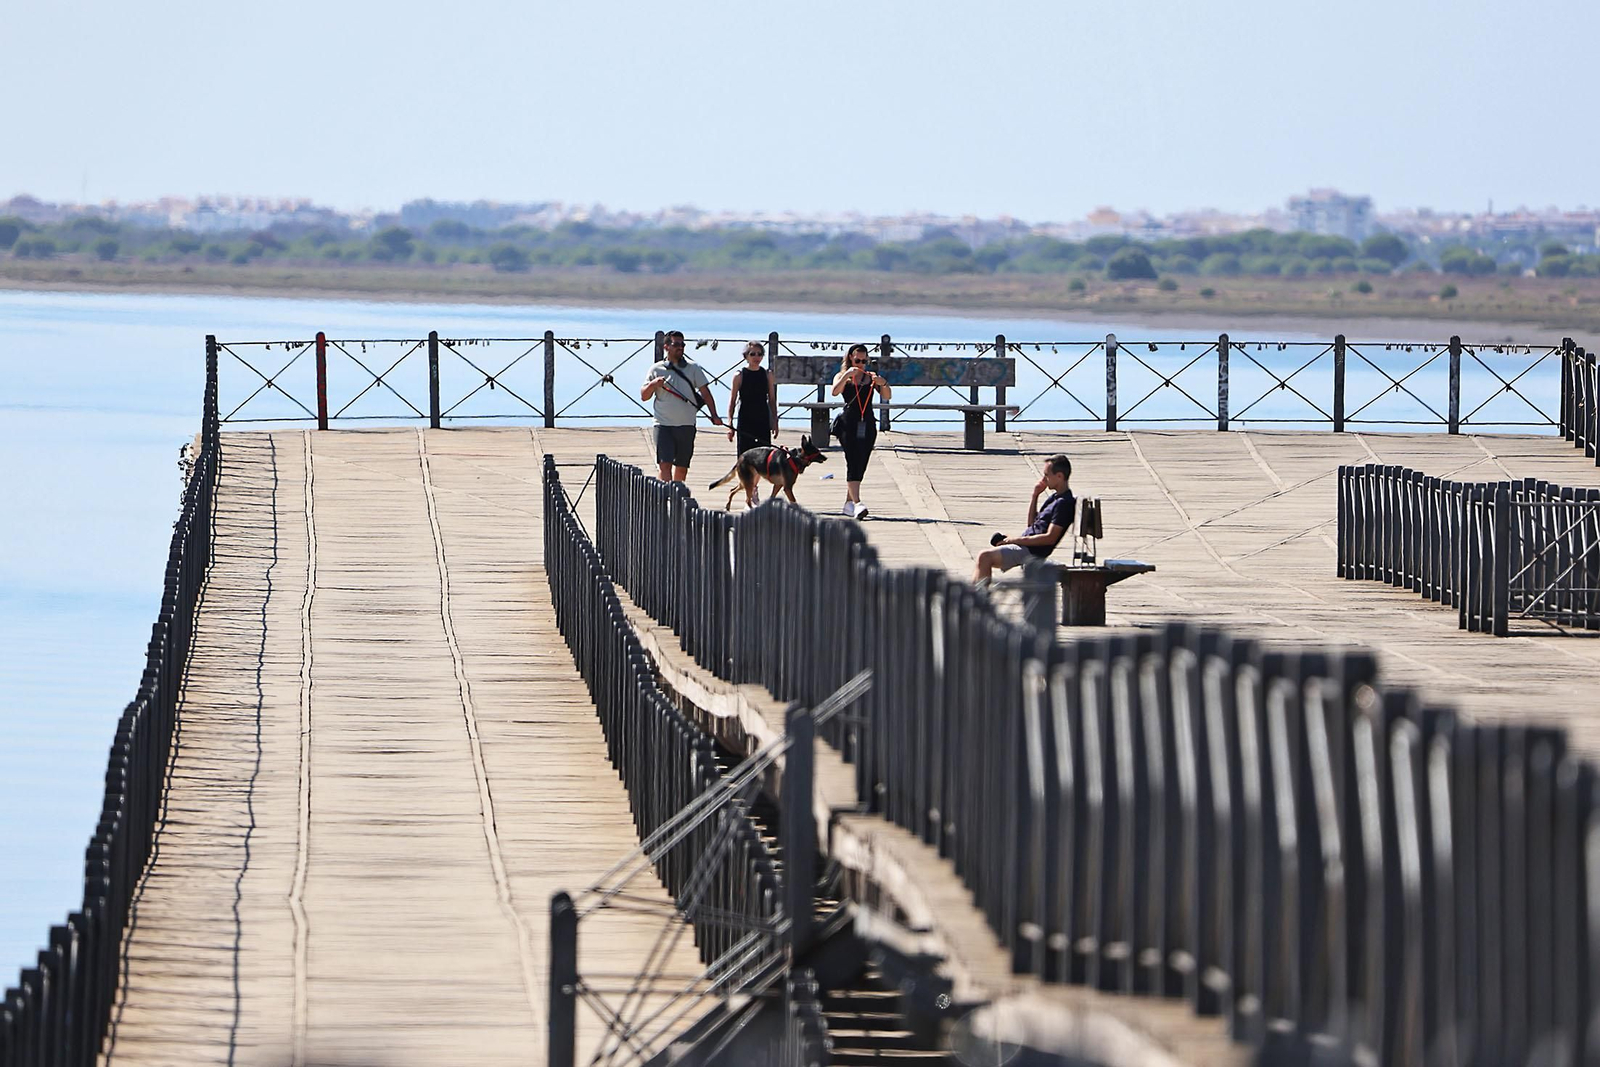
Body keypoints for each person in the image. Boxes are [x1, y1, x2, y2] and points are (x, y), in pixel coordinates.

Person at [971, 454, 1076, 586]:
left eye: (1046, 475)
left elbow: (1050, 538)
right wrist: (1035, 495)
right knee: (983, 557)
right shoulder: (1054, 498)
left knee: (985, 557)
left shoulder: (1064, 503)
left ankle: (978, 597)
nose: (1043, 479)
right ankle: (974, 594)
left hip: (1032, 551)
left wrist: (1014, 540)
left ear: (1059, 476)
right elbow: (1031, 524)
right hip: (1026, 546)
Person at [641, 330, 723, 481]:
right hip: (663, 424)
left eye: (682, 344)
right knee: (664, 464)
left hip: (686, 425)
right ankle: (665, 493)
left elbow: (706, 393)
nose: (680, 347)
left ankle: (677, 493)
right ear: (666, 347)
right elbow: (644, 396)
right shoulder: (656, 369)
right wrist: (653, 384)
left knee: (682, 467)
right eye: (676, 344)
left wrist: (714, 415)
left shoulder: (694, 368)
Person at [830, 343, 890, 518]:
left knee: (862, 462)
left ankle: (848, 504)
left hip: (867, 422)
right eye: (858, 360)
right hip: (848, 423)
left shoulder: (870, 377)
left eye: (864, 361)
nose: (861, 364)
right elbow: (834, 392)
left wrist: (883, 383)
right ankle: (857, 503)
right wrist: (847, 375)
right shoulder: (842, 375)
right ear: (850, 358)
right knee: (852, 460)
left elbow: (887, 395)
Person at [725, 340, 779, 454]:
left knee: (764, 455)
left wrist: (775, 420)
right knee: (744, 455)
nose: (756, 357)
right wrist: (730, 424)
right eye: (752, 354)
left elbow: (772, 399)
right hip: (745, 419)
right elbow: (732, 400)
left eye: (760, 354)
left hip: (762, 418)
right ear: (746, 356)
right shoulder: (739, 375)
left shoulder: (767, 374)